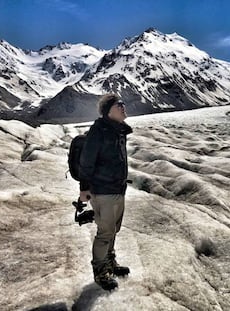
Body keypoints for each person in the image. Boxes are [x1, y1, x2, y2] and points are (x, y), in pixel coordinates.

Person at [79, 93, 133, 290]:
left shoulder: (118, 131)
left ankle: (110, 262)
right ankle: (100, 271)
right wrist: (84, 188)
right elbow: (86, 161)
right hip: (103, 191)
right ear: (108, 111)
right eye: (119, 104)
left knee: (113, 230)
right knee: (105, 232)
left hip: (118, 189)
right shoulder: (99, 131)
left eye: (123, 103)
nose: (123, 106)